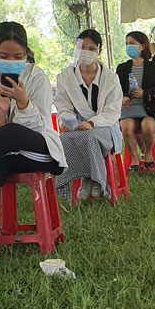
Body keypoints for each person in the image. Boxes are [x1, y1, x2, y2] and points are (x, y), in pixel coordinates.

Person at [0, 21, 66, 271]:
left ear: (26, 55)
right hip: (0, 154)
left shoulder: (36, 77)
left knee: (12, 132)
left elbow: (39, 126)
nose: (12, 61)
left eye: (18, 56)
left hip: (38, 151)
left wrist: (23, 103)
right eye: (4, 56)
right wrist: (1, 113)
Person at [54, 29, 123, 201]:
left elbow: (112, 111)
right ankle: (85, 180)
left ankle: (97, 181)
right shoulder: (65, 77)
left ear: (99, 51)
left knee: (90, 136)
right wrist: (69, 121)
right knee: (63, 140)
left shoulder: (110, 78)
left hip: (104, 127)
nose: (86, 51)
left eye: (91, 48)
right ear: (76, 48)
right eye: (82, 47)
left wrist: (92, 123)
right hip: (76, 126)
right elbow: (63, 105)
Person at [117, 31, 155, 171]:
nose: (128, 46)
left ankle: (148, 152)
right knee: (126, 127)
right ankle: (134, 156)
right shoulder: (122, 68)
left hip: (149, 108)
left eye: (132, 43)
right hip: (129, 108)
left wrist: (145, 93)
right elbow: (116, 89)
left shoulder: (154, 68)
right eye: (127, 44)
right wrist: (124, 96)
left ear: (142, 46)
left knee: (148, 126)